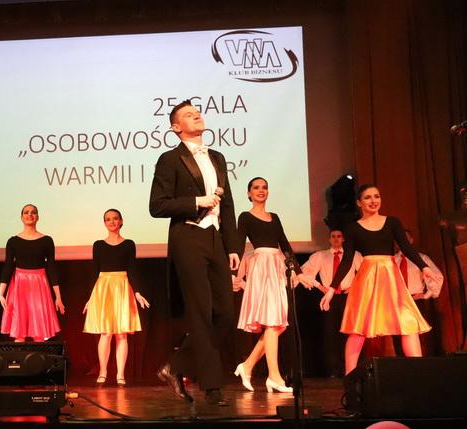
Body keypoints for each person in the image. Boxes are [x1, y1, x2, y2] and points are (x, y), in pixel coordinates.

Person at [149, 100, 240, 405]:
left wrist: (232, 246)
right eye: (188, 115)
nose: (197, 115)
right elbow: (157, 205)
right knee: (200, 312)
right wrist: (197, 202)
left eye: (197, 112)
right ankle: (212, 388)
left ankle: (175, 366)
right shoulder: (169, 159)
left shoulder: (217, 157)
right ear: (176, 127)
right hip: (188, 236)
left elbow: (227, 205)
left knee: (225, 312)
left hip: (215, 239)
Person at [320, 184, 437, 374]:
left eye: (377, 196)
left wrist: (424, 267)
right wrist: (332, 289)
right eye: (368, 197)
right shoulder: (352, 228)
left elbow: (406, 247)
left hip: (391, 278)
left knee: (408, 323)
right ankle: (350, 378)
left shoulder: (392, 222)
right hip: (367, 279)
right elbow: (347, 260)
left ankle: (418, 375)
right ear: (359, 202)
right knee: (358, 328)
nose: (373, 201)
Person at [233, 177, 313, 393]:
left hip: (276, 267)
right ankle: (274, 377)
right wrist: (233, 274)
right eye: (256, 187)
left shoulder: (275, 217)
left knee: (277, 324)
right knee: (272, 323)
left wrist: (299, 272)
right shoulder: (245, 216)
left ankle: (247, 365)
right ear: (249, 193)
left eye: (264, 187)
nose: (261, 190)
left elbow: (284, 244)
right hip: (261, 267)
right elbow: (238, 245)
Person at [83, 209, 150, 387]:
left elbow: (132, 269)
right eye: (108, 219)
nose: (111, 222)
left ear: (121, 221)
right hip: (103, 288)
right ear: (104, 223)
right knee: (105, 333)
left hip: (122, 287)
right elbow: (94, 271)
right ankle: (103, 372)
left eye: (115, 218)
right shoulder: (98, 245)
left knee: (121, 334)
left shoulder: (128, 244)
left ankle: (120, 374)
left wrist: (137, 292)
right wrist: (90, 297)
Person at [0, 204, 65, 342]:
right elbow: (8, 266)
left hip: (39, 284)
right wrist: (1, 293)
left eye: (33, 212)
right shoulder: (13, 241)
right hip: (19, 285)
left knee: (39, 332)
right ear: (21, 217)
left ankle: (38, 357)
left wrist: (58, 296)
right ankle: (19, 357)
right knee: (19, 332)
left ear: (37, 217)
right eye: (26, 212)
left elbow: (51, 267)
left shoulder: (46, 240)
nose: (30, 214)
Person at [301, 229, 362, 377]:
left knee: (350, 333)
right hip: (329, 297)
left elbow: (365, 273)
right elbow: (304, 273)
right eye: (333, 237)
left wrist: (355, 286)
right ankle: (333, 370)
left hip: (348, 297)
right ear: (329, 239)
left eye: (339, 236)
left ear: (343, 239)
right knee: (330, 334)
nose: (336, 239)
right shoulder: (320, 256)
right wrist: (320, 287)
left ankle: (350, 368)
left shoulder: (353, 255)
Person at [393, 229, 444, 356]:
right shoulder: (392, 260)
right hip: (397, 301)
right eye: (400, 238)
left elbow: (437, 276)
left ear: (411, 240)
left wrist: (426, 295)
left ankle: (419, 363)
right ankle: (401, 363)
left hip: (415, 300)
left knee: (417, 334)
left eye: (406, 238)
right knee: (398, 334)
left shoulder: (421, 258)